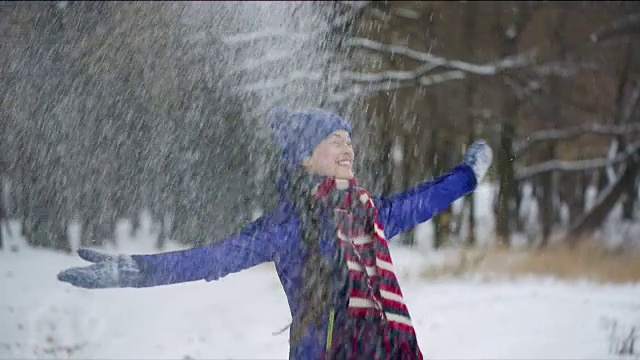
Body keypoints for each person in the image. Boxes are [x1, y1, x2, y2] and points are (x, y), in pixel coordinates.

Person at [57, 107, 493, 359]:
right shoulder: (287, 228)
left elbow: (425, 200)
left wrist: (468, 174)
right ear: (305, 158)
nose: (348, 147)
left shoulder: (367, 213)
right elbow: (213, 259)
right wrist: (135, 270)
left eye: (348, 138)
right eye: (335, 139)